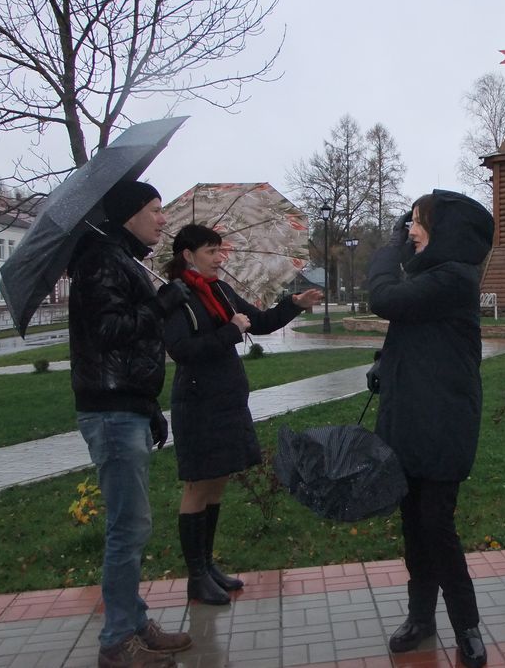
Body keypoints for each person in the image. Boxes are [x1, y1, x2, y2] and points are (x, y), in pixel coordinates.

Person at [161, 224, 323, 605]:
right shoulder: (175, 297)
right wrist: (231, 332)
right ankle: (195, 576)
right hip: (198, 401)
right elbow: (181, 350)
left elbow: (260, 322)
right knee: (198, 485)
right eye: (211, 251)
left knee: (217, 481)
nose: (220, 258)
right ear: (188, 255)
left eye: (220, 250)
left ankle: (208, 565)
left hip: (227, 399)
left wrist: (294, 304)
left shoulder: (219, 290)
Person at [68, 180, 193, 668]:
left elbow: (127, 348)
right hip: (109, 411)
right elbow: (107, 333)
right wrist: (161, 305)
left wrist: (148, 405)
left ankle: (135, 622)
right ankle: (118, 641)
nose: (163, 219)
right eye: (156, 210)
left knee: (134, 524)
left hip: (127, 406)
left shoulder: (122, 258)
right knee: (127, 527)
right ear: (130, 214)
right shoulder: (102, 261)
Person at [367, 190, 493, 668]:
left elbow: (385, 299)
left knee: (437, 526)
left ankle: (467, 627)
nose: (410, 230)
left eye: (417, 222)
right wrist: (386, 362)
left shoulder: (454, 278)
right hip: (410, 419)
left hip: (442, 424)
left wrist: (388, 251)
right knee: (413, 527)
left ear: (442, 231)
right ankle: (421, 618)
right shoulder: (433, 277)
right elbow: (413, 330)